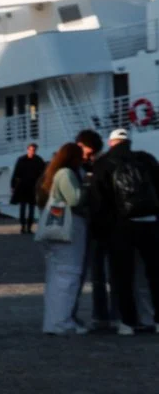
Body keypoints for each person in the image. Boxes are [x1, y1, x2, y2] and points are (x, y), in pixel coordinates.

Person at [85, 126, 159, 335]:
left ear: (111, 143)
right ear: (129, 142)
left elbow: (98, 202)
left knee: (122, 277)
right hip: (150, 222)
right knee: (153, 274)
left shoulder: (103, 164)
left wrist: (100, 231)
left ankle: (127, 323)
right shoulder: (146, 159)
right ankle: (155, 318)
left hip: (121, 225)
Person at [36, 140, 92, 334]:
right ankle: (63, 322)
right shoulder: (67, 174)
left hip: (55, 228)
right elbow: (75, 199)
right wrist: (87, 186)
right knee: (69, 275)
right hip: (69, 228)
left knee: (55, 277)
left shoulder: (54, 173)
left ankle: (54, 321)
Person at [77, 130, 114, 329]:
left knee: (100, 273)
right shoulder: (98, 164)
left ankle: (101, 316)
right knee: (107, 273)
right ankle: (109, 315)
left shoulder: (98, 166)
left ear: (89, 146)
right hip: (108, 223)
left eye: (81, 146)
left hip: (99, 224)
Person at [10, 142, 45, 236]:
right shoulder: (21, 160)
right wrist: (13, 186)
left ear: (36, 150)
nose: (32, 152)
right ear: (27, 149)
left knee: (32, 208)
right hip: (22, 186)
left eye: (33, 150)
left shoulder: (39, 160)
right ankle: (22, 226)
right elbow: (16, 173)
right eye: (30, 150)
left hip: (33, 187)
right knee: (22, 207)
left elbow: (43, 174)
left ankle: (29, 227)